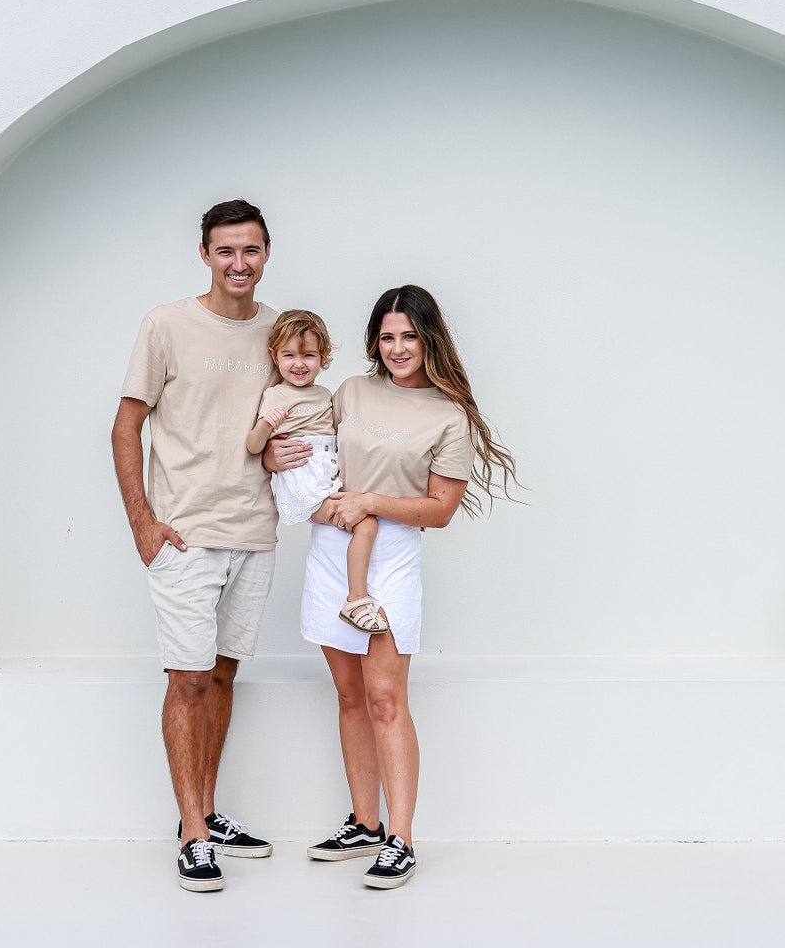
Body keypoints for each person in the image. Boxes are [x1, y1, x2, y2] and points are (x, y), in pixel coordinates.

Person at [268, 285, 519, 889]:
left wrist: (370, 501)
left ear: (428, 339)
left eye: (409, 336)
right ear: (373, 342)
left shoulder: (447, 415)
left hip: (391, 555)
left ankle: (401, 839)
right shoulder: (350, 391)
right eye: (387, 337)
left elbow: (440, 510)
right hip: (332, 545)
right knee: (350, 696)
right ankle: (364, 823)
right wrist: (275, 454)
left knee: (385, 697)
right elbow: (312, 449)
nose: (398, 347)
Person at [111, 199, 278, 893]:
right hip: (184, 536)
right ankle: (192, 832)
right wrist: (144, 525)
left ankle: (206, 811)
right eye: (225, 251)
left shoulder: (278, 329)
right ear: (205, 255)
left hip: (255, 532)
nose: (239, 263)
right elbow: (125, 428)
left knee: (223, 675)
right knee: (186, 678)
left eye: (251, 250)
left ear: (266, 253)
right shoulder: (166, 325)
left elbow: (286, 415)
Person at [246, 311, 389, 634]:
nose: (299, 364)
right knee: (366, 523)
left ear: (323, 357)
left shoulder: (325, 394)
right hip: (304, 480)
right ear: (274, 356)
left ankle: (355, 593)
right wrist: (266, 425)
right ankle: (357, 598)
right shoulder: (276, 395)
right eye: (289, 355)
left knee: (364, 517)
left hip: (327, 473)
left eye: (309, 355)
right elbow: (254, 446)